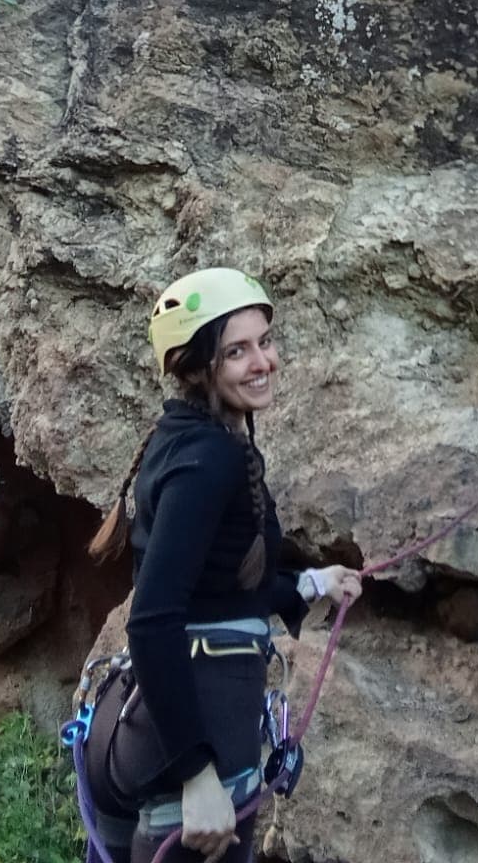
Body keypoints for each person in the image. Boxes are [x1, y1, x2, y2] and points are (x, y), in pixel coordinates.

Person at [85, 267, 362, 863]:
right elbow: (153, 618)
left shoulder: (188, 435)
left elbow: (218, 585)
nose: (263, 361)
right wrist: (197, 775)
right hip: (191, 735)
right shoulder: (211, 458)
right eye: (237, 351)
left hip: (136, 723)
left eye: (264, 341)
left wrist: (313, 583)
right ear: (195, 366)